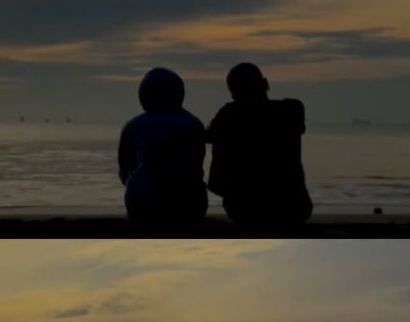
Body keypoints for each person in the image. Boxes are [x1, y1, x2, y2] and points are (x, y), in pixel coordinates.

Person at [206, 62, 312, 229]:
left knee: (222, 139)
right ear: (265, 83)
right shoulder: (291, 110)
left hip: (244, 209)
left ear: (234, 93)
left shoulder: (229, 116)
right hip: (295, 207)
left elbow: (207, 137)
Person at [118, 67, 208, 227]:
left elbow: (125, 170)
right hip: (188, 203)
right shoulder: (193, 123)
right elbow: (197, 165)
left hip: (144, 203)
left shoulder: (133, 126)